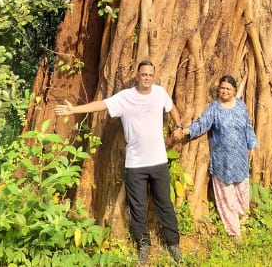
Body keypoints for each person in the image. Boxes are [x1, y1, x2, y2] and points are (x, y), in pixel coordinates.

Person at [55, 60, 185, 264]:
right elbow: (102, 104)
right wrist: (74, 110)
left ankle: (173, 244)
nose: (147, 78)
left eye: (150, 75)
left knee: (165, 205)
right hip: (135, 164)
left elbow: (172, 108)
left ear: (154, 76)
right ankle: (144, 246)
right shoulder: (125, 97)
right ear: (137, 75)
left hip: (158, 160)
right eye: (144, 75)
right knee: (138, 207)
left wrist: (179, 125)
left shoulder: (160, 93)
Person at [172, 75, 258, 240]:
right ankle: (234, 232)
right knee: (226, 198)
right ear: (219, 89)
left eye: (228, 89)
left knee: (242, 193)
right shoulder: (214, 108)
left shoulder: (241, 106)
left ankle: (243, 221)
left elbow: (247, 125)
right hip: (222, 161)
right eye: (222, 88)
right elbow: (202, 124)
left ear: (234, 91)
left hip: (240, 159)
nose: (224, 91)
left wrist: (252, 145)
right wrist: (186, 130)